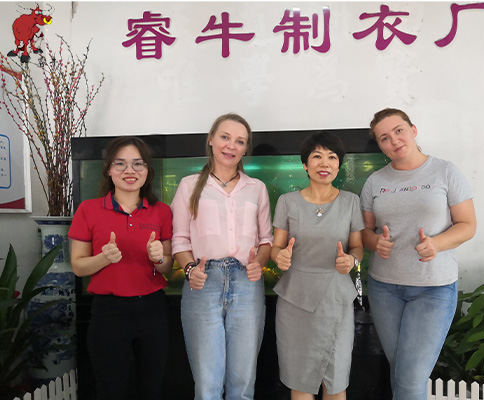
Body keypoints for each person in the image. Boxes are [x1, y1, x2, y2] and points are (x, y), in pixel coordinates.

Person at [360, 108, 477, 400]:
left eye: (398, 130)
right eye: (384, 138)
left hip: (433, 289)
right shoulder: (375, 182)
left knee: (410, 379)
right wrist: (376, 243)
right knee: (401, 372)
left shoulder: (445, 171)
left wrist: (437, 243)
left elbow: (468, 225)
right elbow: (364, 232)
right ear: (380, 146)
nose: (394, 140)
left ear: (413, 130)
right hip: (385, 289)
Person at [170, 113, 273, 400]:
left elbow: (266, 240)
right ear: (211, 140)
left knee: (243, 382)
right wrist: (190, 269)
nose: (231, 146)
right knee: (207, 385)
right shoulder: (189, 185)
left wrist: (259, 263)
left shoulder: (256, 188)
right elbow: (179, 239)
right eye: (225, 137)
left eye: (240, 141)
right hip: (203, 282)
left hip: (247, 283)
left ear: (245, 148)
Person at [69, 136, 173, 400]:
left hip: (152, 310)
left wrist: (159, 258)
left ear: (147, 170)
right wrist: (103, 258)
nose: (130, 170)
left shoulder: (161, 211)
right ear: (108, 169)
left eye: (138, 163)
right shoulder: (88, 209)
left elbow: (167, 267)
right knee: (111, 389)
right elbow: (78, 266)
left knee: (152, 388)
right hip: (109, 312)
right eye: (120, 163)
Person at [271, 132, 364, 400]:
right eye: (317, 156)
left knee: (336, 381)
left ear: (339, 165)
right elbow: (276, 248)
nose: (325, 163)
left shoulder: (351, 201)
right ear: (305, 164)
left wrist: (351, 260)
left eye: (332, 157)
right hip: (295, 298)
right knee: (300, 380)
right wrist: (279, 257)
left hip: (336, 298)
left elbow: (357, 247)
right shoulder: (287, 201)